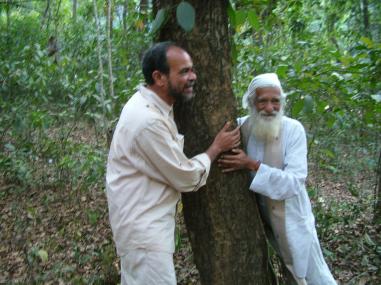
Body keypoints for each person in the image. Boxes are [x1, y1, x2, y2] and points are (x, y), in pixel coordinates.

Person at [106, 41, 240, 285]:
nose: (193, 77)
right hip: (144, 235)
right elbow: (186, 177)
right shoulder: (148, 120)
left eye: (192, 69)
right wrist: (216, 148)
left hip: (144, 231)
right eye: (184, 72)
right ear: (159, 77)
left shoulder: (152, 108)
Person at [218, 73, 336, 285]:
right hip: (263, 223)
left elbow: (293, 183)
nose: (270, 107)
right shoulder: (241, 128)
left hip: (294, 220)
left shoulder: (293, 130)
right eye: (263, 101)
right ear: (251, 102)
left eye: (275, 101)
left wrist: (250, 164)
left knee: (316, 277)